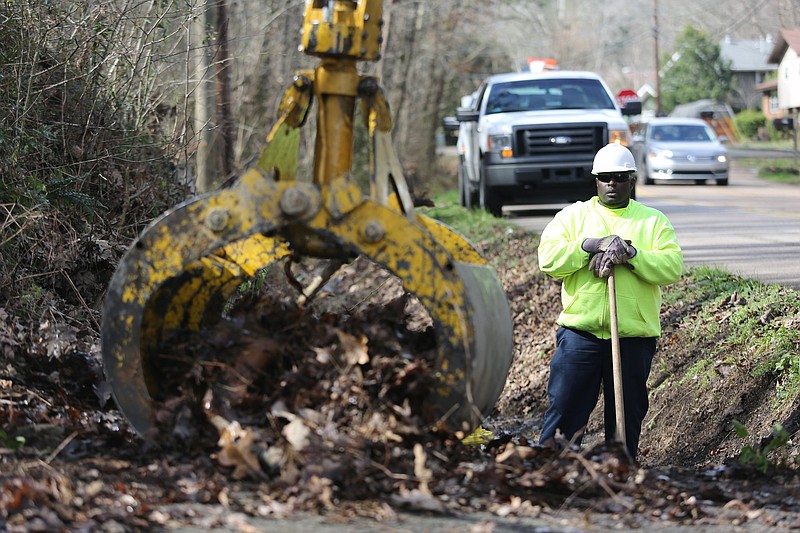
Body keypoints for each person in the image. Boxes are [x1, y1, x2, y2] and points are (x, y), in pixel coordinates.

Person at [537, 142, 683, 460]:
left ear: (632, 180)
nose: (612, 184)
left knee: (626, 417)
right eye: (605, 178)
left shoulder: (652, 221)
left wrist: (631, 254)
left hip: (632, 337)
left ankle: (620, 475)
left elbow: (672, 266)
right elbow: (547, 258)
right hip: (581, 334)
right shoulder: (573, 217)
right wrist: (589, 246)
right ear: (596, 181)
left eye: (619, 177)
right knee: (564, 408)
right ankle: (549, 471)